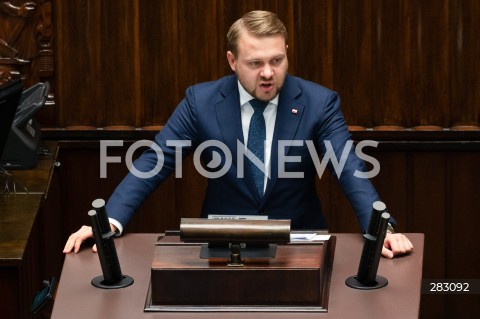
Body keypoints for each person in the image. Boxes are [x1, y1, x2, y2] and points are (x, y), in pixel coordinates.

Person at [64, 10, 413, 259]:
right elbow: (155, 160)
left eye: (276, 61)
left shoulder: (319, 102)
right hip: (221, 243)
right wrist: (108, 221)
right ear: (232, 61)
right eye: (254, 63)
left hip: (299, 245)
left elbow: (349, 167)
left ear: (287, 54)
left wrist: (384, 229)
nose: (267, 73)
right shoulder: (200, 101)